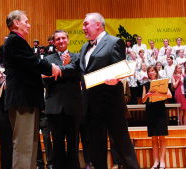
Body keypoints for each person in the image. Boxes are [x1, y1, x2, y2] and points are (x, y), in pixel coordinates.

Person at [60, 12, 139, 169]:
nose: (83, 28)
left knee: (123, 147)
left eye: (85, 24)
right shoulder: (84, 47)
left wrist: (116, 79)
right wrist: (59, 70)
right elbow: (78, 67)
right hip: (91, 107)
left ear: (97, 24)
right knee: (96, 151)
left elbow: (120, 68)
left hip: (112, 106)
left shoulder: (114, 42)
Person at [3, 10, 61, 169]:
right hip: (23, 99)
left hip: (26, 99)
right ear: (16, 23)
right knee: (24, 145)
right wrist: (51, 67)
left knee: (30, 144)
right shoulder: (15, 40)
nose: (29, 25)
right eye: (26, 21)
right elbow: (31, 62)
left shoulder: (16, 41)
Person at [43, 30, 82, 169]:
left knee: (73, 143)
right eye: (57, 39)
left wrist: (60, 71)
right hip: (54, 107)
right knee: (57, 145)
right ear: (53, 42)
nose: (61, 41)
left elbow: (80, 77)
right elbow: (45, 81)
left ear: (68, 39)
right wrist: (66, 69)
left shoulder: (77, 57)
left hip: (73, 105)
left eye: (63, 38)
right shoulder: (47, 60)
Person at [142, 65, 172, 169]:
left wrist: (159, 93)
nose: (151, 73)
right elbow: (142, 100)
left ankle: (162, 162)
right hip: (150, 111)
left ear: (156, 72)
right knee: (154, 138)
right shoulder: (145, 84)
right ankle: (156, 162)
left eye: (152, 71)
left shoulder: (161, 82)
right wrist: (147, 95)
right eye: (149, 71)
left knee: (162, 137)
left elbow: (170, 95)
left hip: (160, 111)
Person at [109, 79, 131, 169]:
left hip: (123, 114)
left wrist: (120, 98)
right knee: (112, 141)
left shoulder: (124, 82)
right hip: (110, 114)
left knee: (124, 140)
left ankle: (124, 162)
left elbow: (128, 97)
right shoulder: (107, 82)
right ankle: (116, 163)